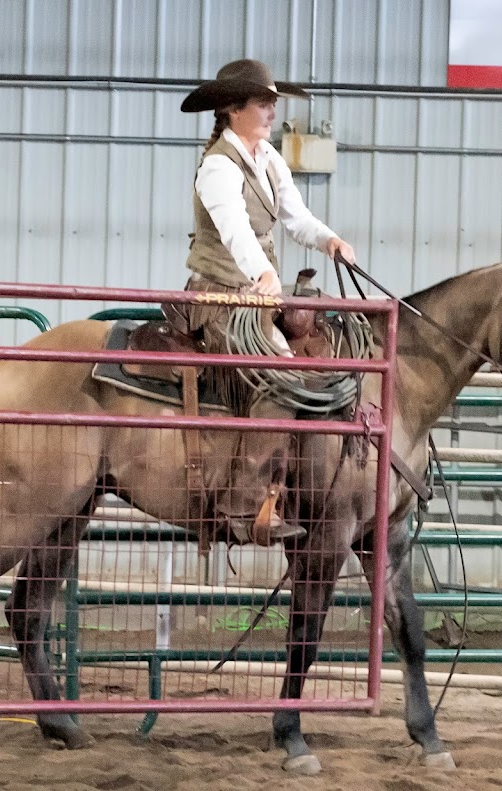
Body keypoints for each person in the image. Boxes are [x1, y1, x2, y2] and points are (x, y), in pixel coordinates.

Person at [164, 59, 356, 547]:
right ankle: (244, 500)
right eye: (262, 102)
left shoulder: (267, 158)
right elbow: (236, 231)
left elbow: (296, 218)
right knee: (279, 371)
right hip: (219, 297)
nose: (272, 110)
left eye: (272, 101)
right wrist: (265, 273)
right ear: (233, 108)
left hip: (256, 296)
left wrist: (330, 240)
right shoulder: (216, 167)